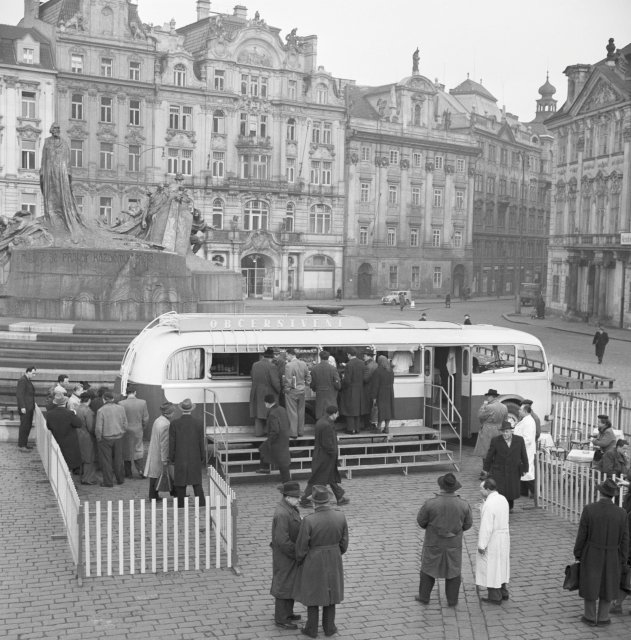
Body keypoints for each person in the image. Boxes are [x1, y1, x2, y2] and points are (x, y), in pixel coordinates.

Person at [294, 485, 349, 638]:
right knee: (331, 594)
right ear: (328, 501)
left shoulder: (309, 520)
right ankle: (329, 627)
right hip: (334, 557)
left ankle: (311, 629)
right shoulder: (340, 516)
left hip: (314, 559)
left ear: (314, 503)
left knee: (313, 594)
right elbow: (344, 543)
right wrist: (336, 553)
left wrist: (300, 560)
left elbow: (301, 546)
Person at [573, 477, 629, 627]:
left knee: (590, 582)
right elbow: (625, 540)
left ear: (601, 493)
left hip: (592, 551)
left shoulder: (589, 509)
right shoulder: (622, 513)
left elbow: (582, 535)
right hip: (613, 553)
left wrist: (578, 553)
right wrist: (623, 559)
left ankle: (589, 616)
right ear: (613, 495)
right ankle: (603, 617)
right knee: (609, 583)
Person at [416, 473, 473, 606]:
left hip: (433, 542)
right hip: (454, 544)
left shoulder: (430, 504)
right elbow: (468, 524)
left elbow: (421, 521)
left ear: (441, 486)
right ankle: (452, 601)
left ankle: (424, 597)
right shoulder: (463, 504)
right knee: (453, 570)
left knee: (428, 568)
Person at [40, 122, 85, 242]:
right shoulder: (46, 142)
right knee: (50, 197)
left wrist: (68, 174)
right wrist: (42, 172)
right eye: (55, 128)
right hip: (49, 173)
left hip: (61, 174)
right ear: (51, 129)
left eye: (58, 128)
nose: (57, 130)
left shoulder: (64, 143)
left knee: (62, 196)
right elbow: (44, 158)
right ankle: (52, 220)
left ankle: (63, 220)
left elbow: (68, 160)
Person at [299, 406, 349, 508]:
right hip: (325, 457)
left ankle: (340, 497)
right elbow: (327, 444)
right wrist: (334, 453)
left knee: (330, 477)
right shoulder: (326, 425)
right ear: (333, 413)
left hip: (323, 456)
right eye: (337, 413)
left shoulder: (322, 421)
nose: (338, 415)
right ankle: (303, 500)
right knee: (317, 480)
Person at [270, 481, 303, 630]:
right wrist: (296, 553)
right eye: (296, 497)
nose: (299, 499)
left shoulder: (289, 508)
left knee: (290, 583)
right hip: (286, 556)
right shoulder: (282, 513)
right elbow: (282, 540)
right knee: (283, 584)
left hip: (289, 555)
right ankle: (281, 618)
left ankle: (288, 612)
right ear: (288, 497)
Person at [476, 478, 510, 604]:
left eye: (482, 489)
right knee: (501, 565)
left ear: (488, 489)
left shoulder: (489, 505)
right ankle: (503, 591)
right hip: (503, 537)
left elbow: (486, 527)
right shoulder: (502, 499)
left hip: (493, 539)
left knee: (491, 567)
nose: (480, 491)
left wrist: (481, 545)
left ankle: (495, 596)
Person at [483, 421, 529, 511]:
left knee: (511, 489)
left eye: (507, 431)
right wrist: (486, 469)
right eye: (503, 431)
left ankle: (510, 506)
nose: (505, 433)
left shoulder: (519, 440)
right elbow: (489, 455)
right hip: (500, 470)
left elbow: (524, 455)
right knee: (500, 489)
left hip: (514, 469)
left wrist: (525, 468)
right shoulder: (495, 440)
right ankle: (501, 506)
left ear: (511, 431)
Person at [169, 398, 206, 508]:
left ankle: (181, 505)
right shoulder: (198, 423)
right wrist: (202, 456)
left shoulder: (174, 424)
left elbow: (172, 443)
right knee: (197, 482)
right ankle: (201, 503)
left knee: (180, 483)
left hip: (180, 457)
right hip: (194, 457)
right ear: (191, 409)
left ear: (181, 409)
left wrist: (171, 457)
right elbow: (201, 442)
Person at [144, 401, 176, 502]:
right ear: (169, 413)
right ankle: (155, 495)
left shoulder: (158, 420)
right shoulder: (166, 424)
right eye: (173, 412)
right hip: (159, 453)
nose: (174, 414)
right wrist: (165, 459)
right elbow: (165, 443)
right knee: (159, 474)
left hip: (155, 450)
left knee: (155, 474)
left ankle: (154, 495)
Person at [95, 391, 127, 487]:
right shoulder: (121, 408)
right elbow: (125, 422)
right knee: (118, 459)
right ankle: (120, 479)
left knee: (106, 461)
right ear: (113, 399)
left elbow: (98, 427)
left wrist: (98, 437)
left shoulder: (101, 410)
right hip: (118, 436)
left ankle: (108, 481)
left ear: (104, 399)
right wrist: (122, 431)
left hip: (106, 438)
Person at [474, 389, 508, 478]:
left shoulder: (489, 407)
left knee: (485, 451)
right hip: (499, 430)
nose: (487, 398)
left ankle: (486, 472)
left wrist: (483, 405)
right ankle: (495, 471)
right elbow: (505, 420)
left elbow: (480, 416)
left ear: (492, 397)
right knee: (497, 451)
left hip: (488, 430)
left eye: (488, 396)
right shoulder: (504, 407)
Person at [257, 394, 291, 482]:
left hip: (277, 439)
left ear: (267, 403)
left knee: (264, 448)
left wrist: (270, 441)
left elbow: (275, 430)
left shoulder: (272, 413)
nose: (265, 405)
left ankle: (265, 468)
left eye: (265, 403)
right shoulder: (282, 409)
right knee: (283, 461)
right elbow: (288, 422)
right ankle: (265, 467)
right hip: (284, 437)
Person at [45, 393, 82, 473]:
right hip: (69, 443)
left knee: (59, 466)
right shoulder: (70, 413)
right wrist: (75, 414)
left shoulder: (49, 414)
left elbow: (48, 426)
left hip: (57, 441)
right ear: (65, 403)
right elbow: (79, 424)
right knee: (69, 466)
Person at [119, 384, 149, 479]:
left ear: (126, 393)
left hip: (125, 430)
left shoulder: (121, 403)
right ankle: (140, 470)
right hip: (138, 429)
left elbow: (120, 419)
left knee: (126, 450)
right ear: (135, 392)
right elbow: (146, 418)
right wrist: (143, 427)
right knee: (138, 449)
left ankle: (128, 472)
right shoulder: (142, 402)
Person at [250, 348, 281, 436]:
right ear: (271, 358)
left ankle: (258, 433)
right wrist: (279, 390)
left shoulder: (255, 365)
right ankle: (269, 433)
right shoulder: (272, 366)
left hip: (256, 392)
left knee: (258, 413)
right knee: (270, 413)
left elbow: (252, 376)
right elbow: (275, 382)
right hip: (268, 393)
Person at [283, 348, 311, 438]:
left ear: (291, 355)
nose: (286, 357)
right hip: (302, 390)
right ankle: (300, 432)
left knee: (292, 412)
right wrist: (306, 385)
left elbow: (288, 380)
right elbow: (308, 376)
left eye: (286, 355)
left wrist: (286, 389)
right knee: (301, 411)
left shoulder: (288, 365)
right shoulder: (303, 363)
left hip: (292, 391)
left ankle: (293, 433)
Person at [513, 403, 537, 499]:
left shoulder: (529, 422)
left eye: (520, 410)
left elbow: (528, 439)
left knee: (528, 471)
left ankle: (533, 491)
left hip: (526, 450)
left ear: (525, 411)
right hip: (523, 449)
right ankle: (524, 491)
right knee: (523, 470)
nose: (518, 411)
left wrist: (517, 445)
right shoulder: (525, 420)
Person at [74, 391, 98, 485]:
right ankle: (87, 479)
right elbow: (91, 427)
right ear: (89, 400)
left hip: (78, 435)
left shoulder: (77, 408)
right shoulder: (88, 411)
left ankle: (82, 476)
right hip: (87, 437)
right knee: (89, 458)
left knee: (82, 458)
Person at [309, 350, 341, 420]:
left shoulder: (314, 369)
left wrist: (315, 388)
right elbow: (338, 384)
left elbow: (312, 384)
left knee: (320, 413)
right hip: (331, 394)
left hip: (320, 394)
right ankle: (330, 428)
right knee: (331, 414)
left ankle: (321, 427)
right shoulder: (333, 369)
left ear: (320, 357)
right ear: (328, 357)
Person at [339, 347, 364, 434]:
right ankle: (357, 429)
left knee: (349, 410)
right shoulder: (362, 363)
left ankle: (350, 429)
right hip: (360, 390)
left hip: (350, 390)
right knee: (357, 410)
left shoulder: (349, 364)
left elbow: (347, 380)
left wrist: (342, 385)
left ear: (349, 354)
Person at [370, 355, 395, 434]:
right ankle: (386, 428)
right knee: (388, 410)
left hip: (381, 392)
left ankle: (378, 428)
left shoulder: (377, 371)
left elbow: (375, 385)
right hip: (390, 392)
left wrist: (374, 397)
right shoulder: (390, 370)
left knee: (380, 410)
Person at [16, 366, 37, 452]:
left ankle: (24, 444)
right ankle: (22, 445)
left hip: (29, 407)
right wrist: (22, 407)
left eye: (35, 373)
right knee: (24, 426)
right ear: (28, 372)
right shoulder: (22, 380)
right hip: (25, 408)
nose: (34, 375)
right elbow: (19, 395)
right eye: (33, 373)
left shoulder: (27, 380)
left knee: (27, 426)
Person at [361, 348, 378, 430]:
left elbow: (365, 379)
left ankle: (367, 425)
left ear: (368, 356)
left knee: (367, 407)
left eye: (364, 356)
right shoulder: (375, 364)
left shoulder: (368, 366)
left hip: (367, 389)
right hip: (373, 389)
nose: (363, 357)